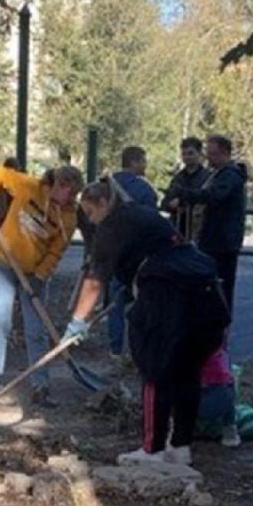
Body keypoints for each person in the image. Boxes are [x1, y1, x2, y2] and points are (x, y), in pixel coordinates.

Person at [63, 177, 230, 465]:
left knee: (156, 371)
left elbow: (95, 279)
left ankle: (152, 449)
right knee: (188, 372)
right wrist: (130, 288)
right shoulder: (143, 213)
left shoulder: (112, 225)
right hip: (206, 293)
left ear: (103, 203)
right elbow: (159, 250)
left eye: (90, 212)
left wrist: (78, 320)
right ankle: (180, 447)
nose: (90, 221)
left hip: (167, 296)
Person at [0, 163, 84, 408]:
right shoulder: (28, 186)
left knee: (36, 330)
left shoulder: (69, 217)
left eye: (73, 195)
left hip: (33, 275)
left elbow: (56, 251)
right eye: (66, 192)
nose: (68, 199)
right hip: (3, 263)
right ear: (56, 184)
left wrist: (40, 276)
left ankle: (41, 386)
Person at [176, 134, 246, 314]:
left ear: (224, 153)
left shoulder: (230, 175)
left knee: (221, 285)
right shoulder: (219, 174)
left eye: (212, 154)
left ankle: (220, 327)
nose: (208, 158)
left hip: (222, 240)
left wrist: (187, 195)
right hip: (215, 237)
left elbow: (215, 196)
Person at [105, 146, 160, 358]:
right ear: (135, 161)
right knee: (142, 301)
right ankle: (138, 349)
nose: (145, 165)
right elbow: (151, 222)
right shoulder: (144, 190)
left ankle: (115, 349)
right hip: (138, 254)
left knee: (115, 301)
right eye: (143, 161)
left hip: (113, 251)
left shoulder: (105, 185)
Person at [160, 137, 211, 240]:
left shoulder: (208, 178)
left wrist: (183, 200)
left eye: (190, 153)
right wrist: (171, 204)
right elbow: (165, 203)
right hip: (179, 231)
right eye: (184, 154)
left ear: (199, 154)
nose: (187, 157)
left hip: (201, 232)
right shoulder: (178, 178)